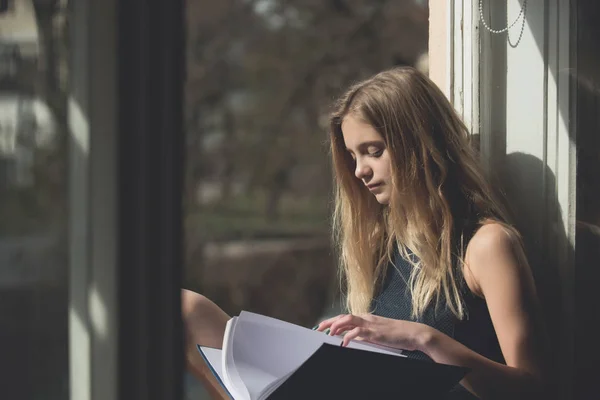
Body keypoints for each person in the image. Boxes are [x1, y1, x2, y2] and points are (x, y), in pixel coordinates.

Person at [182, 66, 548, 399]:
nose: (359, 171)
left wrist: (427, 340)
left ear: (420, 144)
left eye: (373, 152)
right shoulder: (383, 244)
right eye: (353, 157)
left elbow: (533, 389)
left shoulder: (487, 246)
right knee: (187, 311)